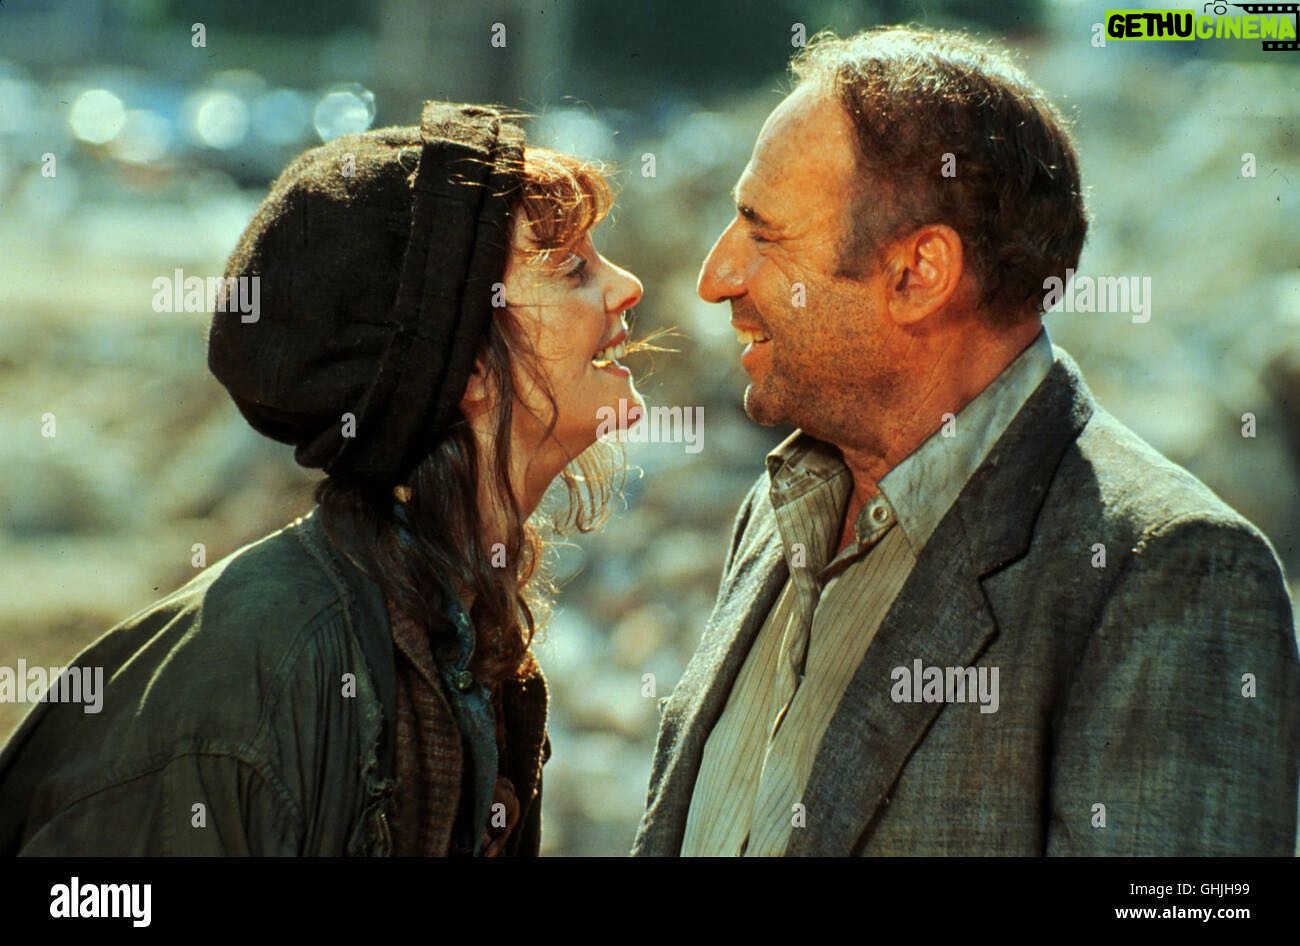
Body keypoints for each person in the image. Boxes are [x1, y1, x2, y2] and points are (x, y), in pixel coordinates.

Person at [634, 27, 1299, 856]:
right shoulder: (783, 513)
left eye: (762, 234)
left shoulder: (1168, 574)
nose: (714, 278)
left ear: (918, 274)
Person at [0, 100, 649, 856]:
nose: (628, 285)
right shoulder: (257, 686)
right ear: (467, 368)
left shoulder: (457, 632)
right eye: (571, 268)